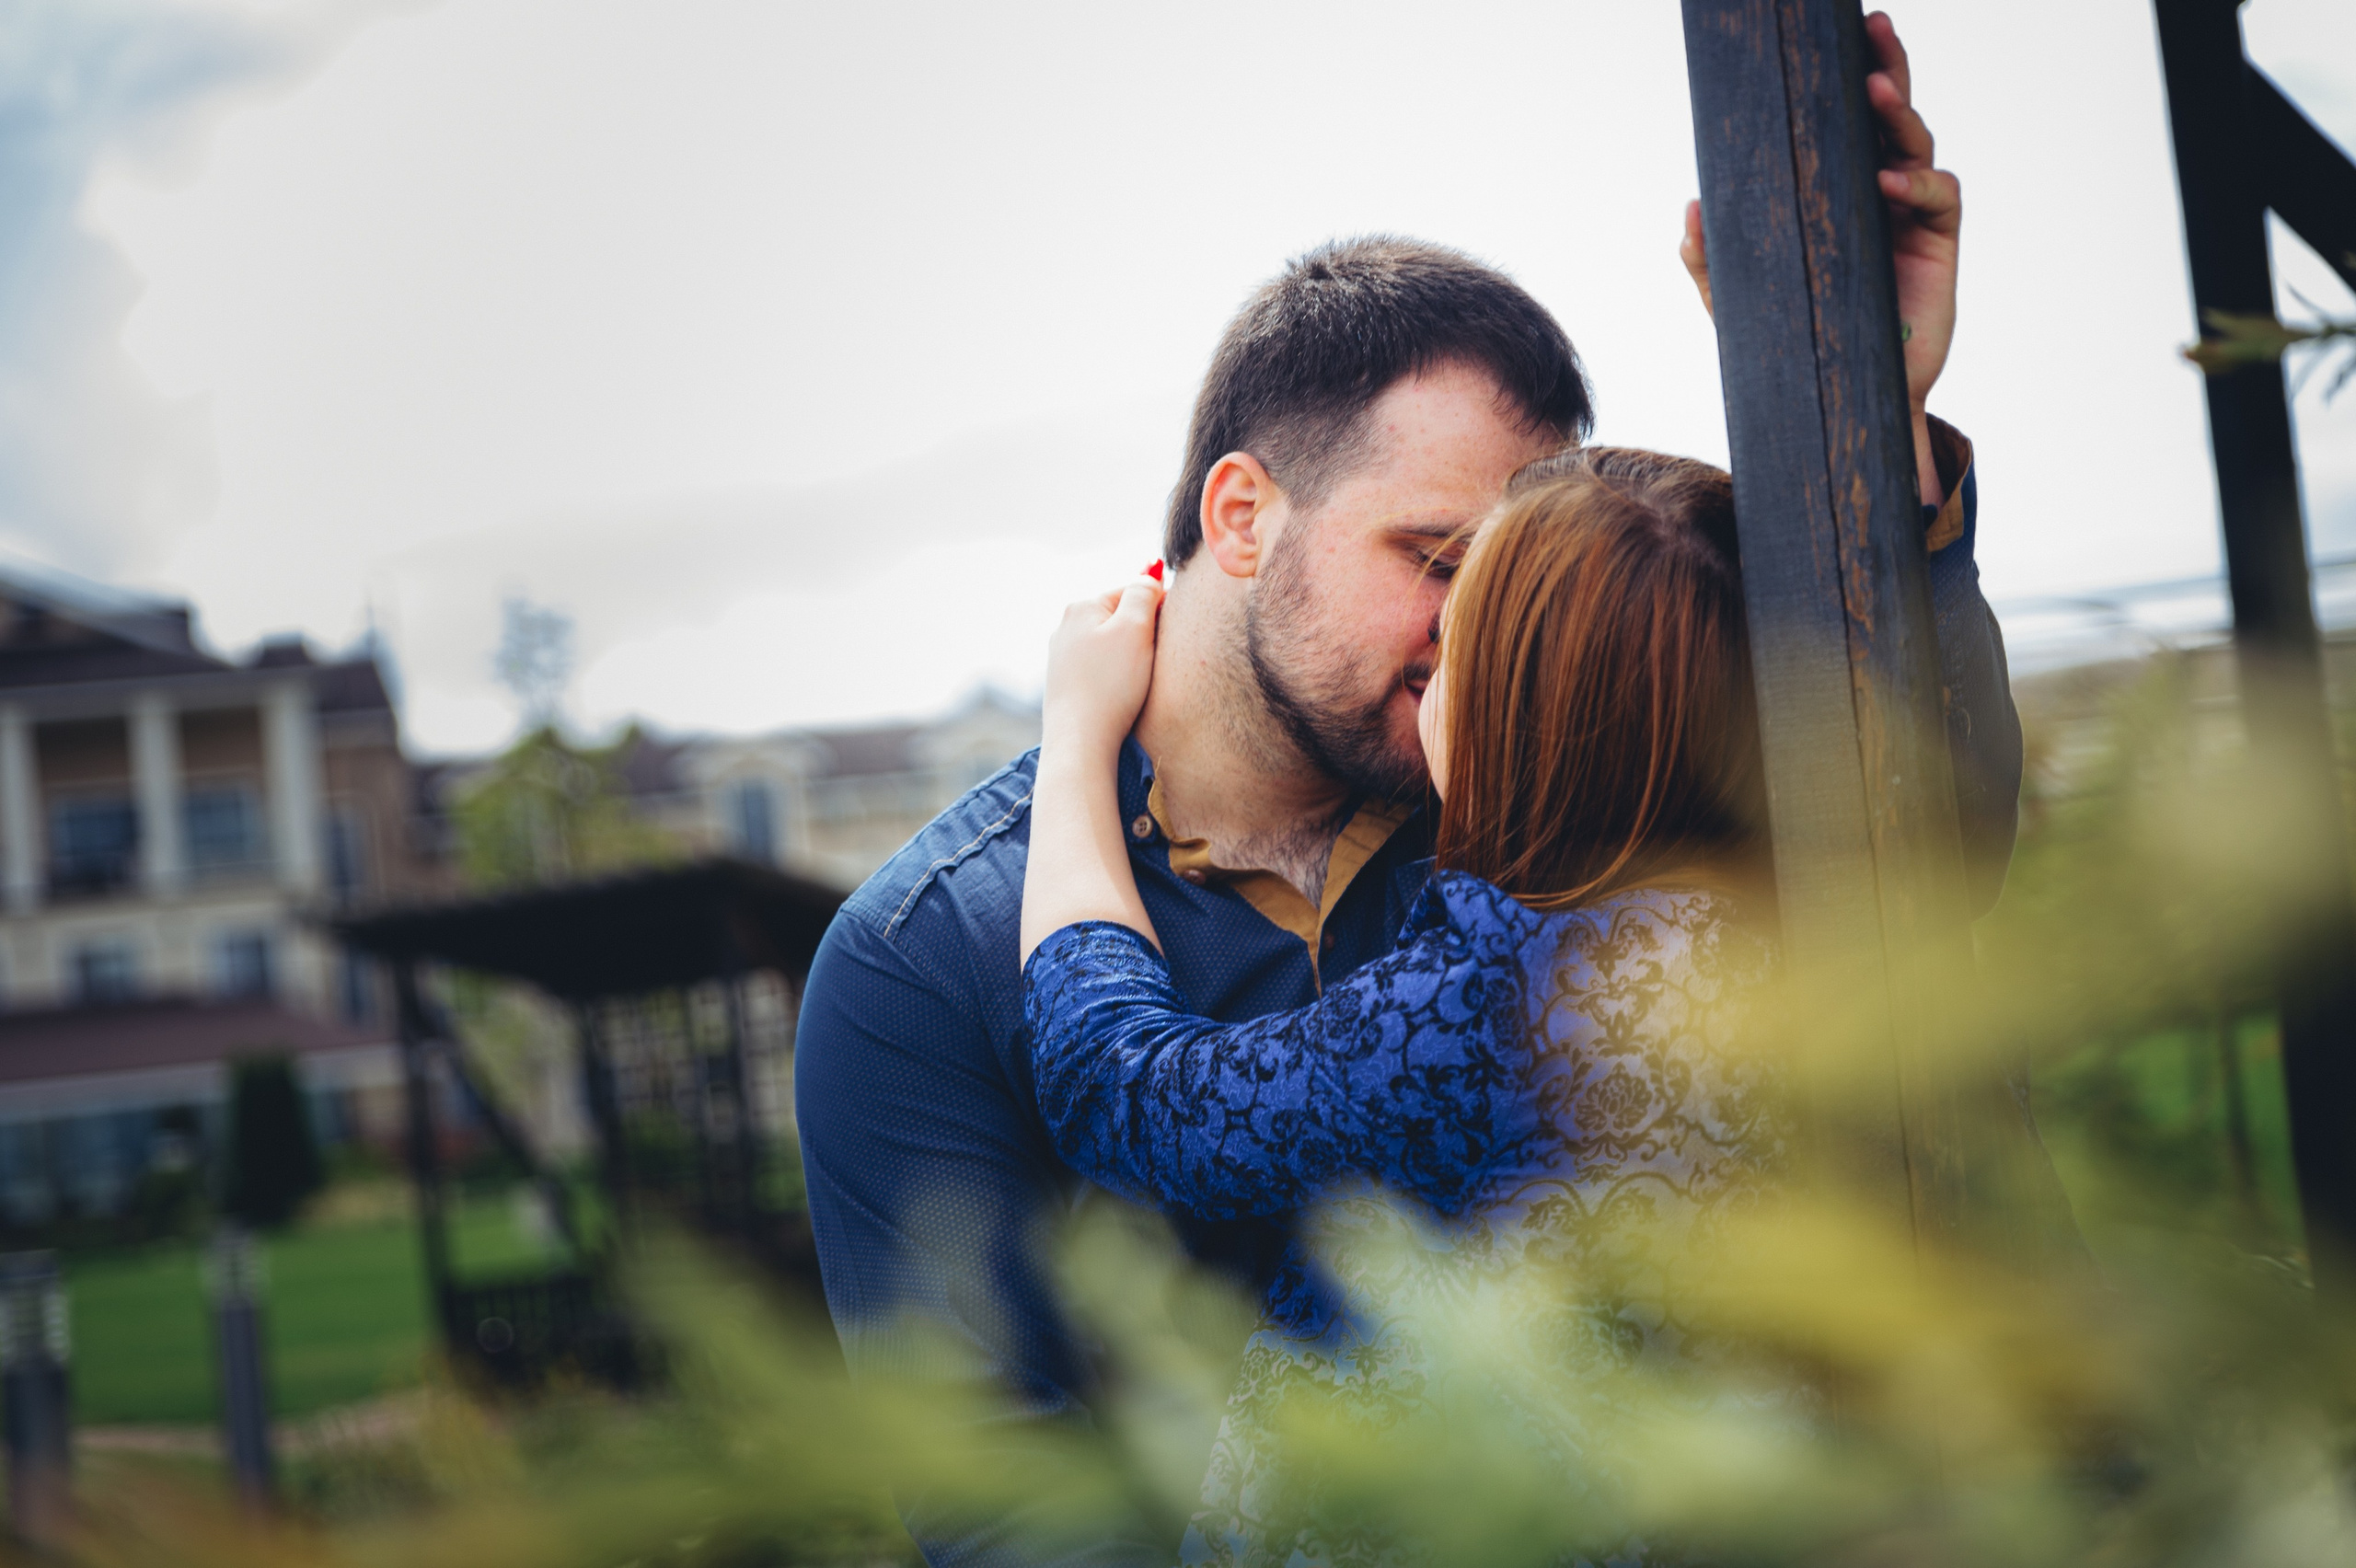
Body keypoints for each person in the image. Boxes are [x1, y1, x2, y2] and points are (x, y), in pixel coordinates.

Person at [795, 17, 2012, 1564]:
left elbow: (1927, 872)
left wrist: (1868, 423)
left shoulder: (1569, 814)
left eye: (1509, 590)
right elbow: (1001, 1500)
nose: (1471, 636)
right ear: (1242, 514)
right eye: (1438, 563)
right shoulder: (920, 959)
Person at [1019, 445, 1780, 1566]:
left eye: (1455, 645)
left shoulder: (1501, 992)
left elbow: (1127, 1099)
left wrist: (1074, 741)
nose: (1427, 656)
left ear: (1524, 711)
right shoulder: (1779, 929)